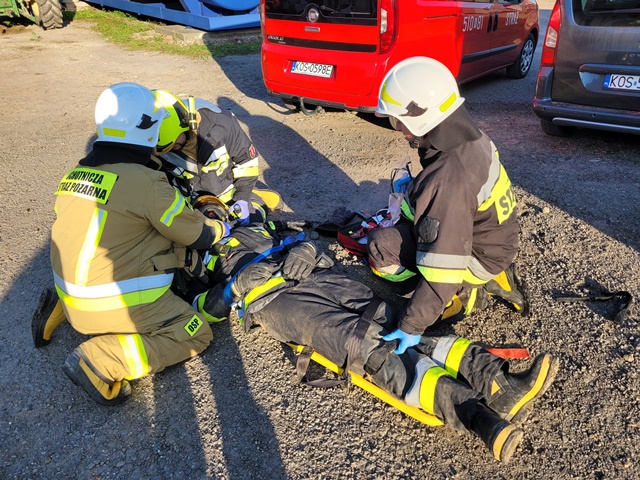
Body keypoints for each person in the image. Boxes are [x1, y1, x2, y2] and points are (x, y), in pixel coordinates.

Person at [185, 201, 558, 464]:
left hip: (315, 275)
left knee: (395, 319)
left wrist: (306, 250)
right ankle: (478, 417)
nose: (212, 216)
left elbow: (304, 239)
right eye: (204, 214)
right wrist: (233, 287)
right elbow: (200, 310)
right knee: (364, 343)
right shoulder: (198, 260)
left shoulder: (257, 226)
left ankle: (498, 382)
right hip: (276, 303)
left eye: (214, 210)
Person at [31, 82, 231, 406]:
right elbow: (197, 235)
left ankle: (60, 309)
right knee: (195, 332)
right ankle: (100, 360)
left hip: (70, 289)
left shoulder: (76, 173)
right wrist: (221, 225)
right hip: (108, 303)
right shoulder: (147, 183)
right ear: (149, 130)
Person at [367, 56, 530, 355]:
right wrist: (417, 191)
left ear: (421, 119)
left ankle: (459, 294)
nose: (398, 128)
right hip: (495, 241)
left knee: (381, 246)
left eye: (398, 120)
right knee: (416, 225)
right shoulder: (470, 137)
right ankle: (486, 275)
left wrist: (411, 325)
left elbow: (443, 266)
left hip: (476, 257)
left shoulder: (447, 179)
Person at [152, 89, 281, 226]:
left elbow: (247, 162)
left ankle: (255, 199)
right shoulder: (150, 141)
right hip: (188, 200)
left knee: (251, 220)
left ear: (185, 124)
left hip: (229, 193)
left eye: (175, 145)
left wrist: (242, 196)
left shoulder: (221, 123)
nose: (171, 150)